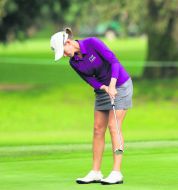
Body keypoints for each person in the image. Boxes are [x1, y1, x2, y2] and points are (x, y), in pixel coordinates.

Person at [50, 28, 133, 185]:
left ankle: (116, 172)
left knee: (114, 127)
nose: (65, 55)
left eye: (64, 51)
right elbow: (90, 80)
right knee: (97, 129)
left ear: (68, 42)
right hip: (103, 90)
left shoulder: (92, 43)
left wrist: (112, 85)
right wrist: (105, 88)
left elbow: (114, 62)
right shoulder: (73, 62)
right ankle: (95, 172)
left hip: (120, 84)